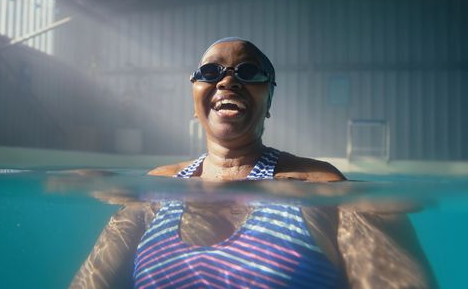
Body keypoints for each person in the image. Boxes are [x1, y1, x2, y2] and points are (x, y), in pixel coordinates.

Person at [70, 38, 437, 289]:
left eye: (248, 72)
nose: (228, 81)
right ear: (194, 91)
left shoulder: (320, 186)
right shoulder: (154, 189)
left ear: (270, 98)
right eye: (211, 72)